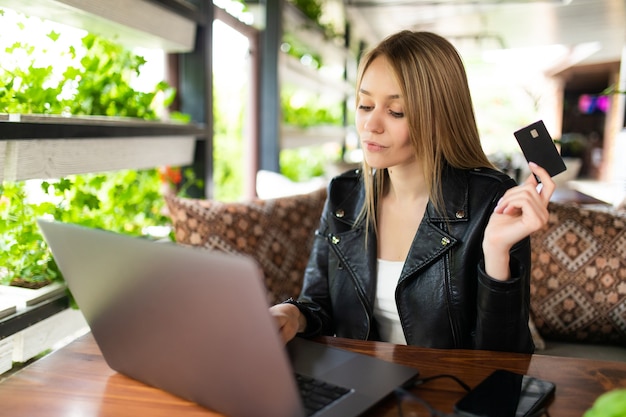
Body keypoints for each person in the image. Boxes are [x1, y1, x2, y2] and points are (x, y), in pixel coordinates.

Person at [270, 30, 555, 354]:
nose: (370, 125)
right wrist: (293, 314)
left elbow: (507, 360)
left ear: (439, 116)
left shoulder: (489, 201)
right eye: (365, 104)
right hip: (358, 387)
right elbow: (317, 305)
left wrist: (496, 254)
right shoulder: (344, 196)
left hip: (446, 396)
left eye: (396, 112)